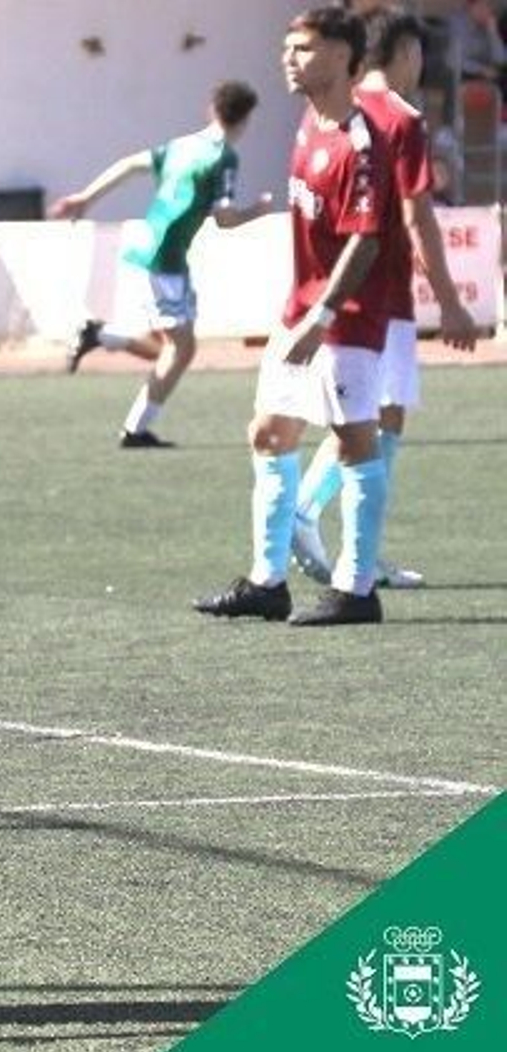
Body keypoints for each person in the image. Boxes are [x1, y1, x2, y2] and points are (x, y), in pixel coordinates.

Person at [194, 5, 397, 627]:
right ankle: (267, 582)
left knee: (354, 441)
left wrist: (325, 314)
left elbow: (366, 240)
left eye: (304, 48)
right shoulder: (309, 125)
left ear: (342, 57)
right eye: (289, 47)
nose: (289, 57)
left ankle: (358, 590)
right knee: (268, 433)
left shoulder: (361, 142)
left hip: (346, 320)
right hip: (300, 310)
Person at [292, 9, 478, 591]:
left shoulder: (329, 108)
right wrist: (449, 301)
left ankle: (343, 543)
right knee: (379, 423)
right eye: (418, 54)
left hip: (334, 293)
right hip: (381, 296)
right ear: (403, 53)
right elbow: (417, 216)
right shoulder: (399, 116)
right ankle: (335, 540)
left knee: (368, 419)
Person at [49, 81, 274, 448]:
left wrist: (86, 198)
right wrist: (259, 210)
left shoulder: (182, 145)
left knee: (166, 347)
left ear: (212, 109)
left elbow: (129, 164)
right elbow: (226, 218)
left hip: (145, 244)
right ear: (246, 119)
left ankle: (98, 335)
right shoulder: (224, 157)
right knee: (181, 349)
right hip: (166, 256)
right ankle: (135, 430)